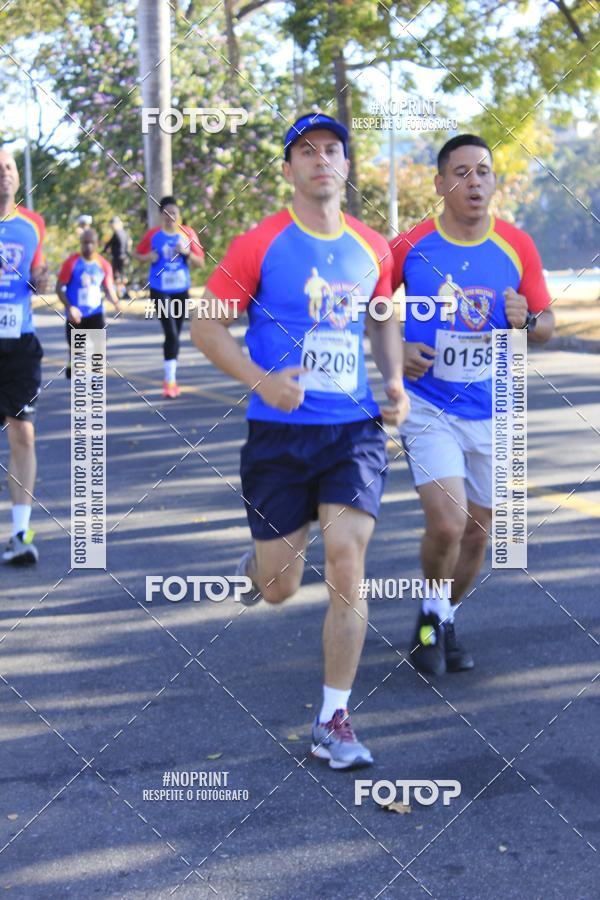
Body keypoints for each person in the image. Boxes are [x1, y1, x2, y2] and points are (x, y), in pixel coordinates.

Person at [191, 113, 410, 770]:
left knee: (347, 559)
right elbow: (206, 325)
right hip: (278, 437)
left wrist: (394, 380)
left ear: (345, 166)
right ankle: (259, 570)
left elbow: (382, 317)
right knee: (281, 585)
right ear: (289, 170)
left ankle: (332, 718)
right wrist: (262, 380)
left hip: (352, 434)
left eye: (332, 150)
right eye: (306, 152)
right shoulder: (260, 243)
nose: (321, 160)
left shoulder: (373, 246)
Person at [390, 134, 555, 676]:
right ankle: (431, 624)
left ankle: (438, 616)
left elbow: (546, 326)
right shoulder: (411, 245)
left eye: (483, 171)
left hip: (494, 408)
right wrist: (397, 349)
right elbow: (366, 308)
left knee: (479, 532)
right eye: (461, 172)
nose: (474, 181)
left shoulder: (517, 246)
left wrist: (525, 319)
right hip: (430, 405)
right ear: (440, 184)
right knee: (447, 524)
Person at [0, 148, 48, 565]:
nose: (4, 174)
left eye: (9, 167)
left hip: (20, 344)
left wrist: (40, 279)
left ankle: (20, 534)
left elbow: (37, 274)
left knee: (23, 434)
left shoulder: (32, 225)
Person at [134, 197, 204, 398]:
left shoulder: (188, 234)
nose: (170, 217)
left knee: (176, 333)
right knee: (171, 333)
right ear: (161, 215)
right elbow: (137, 254)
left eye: (174, 213)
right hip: (159, 289)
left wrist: (186, 253)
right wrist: (148, 257)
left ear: (178, 214)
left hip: (181, 289)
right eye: (166, 213)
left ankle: (171, 377)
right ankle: (170, 380)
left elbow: (201, 263)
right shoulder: (154, 235)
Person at [56, 228, 120, 379]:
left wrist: (116, 302)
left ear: (97, 244)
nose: (88, 246)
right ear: (80, 243)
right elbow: (59, 288)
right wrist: (69, 307)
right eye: (85, 243)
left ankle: (95, 377)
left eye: (91, 243)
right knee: (78, 351)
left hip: (96, 312)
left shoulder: (103, 264)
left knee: (99, 346)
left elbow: (108, 287)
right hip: (75, 314)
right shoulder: (72, 263)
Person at [102, 216, 131, 300]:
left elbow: (108, 245)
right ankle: (125, 292)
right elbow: (129, 243)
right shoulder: (125, 233)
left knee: (117, 276)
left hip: (118, 258)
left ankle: (120, 293)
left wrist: (104, 251)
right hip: (125, 257)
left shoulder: (116, 234)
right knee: (123, 276)